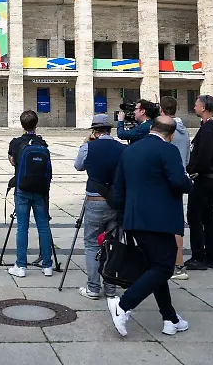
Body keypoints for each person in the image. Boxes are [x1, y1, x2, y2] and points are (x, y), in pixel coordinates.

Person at [108, 116, 194, 337]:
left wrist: (123, 213)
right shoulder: (168, 150)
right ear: (171, 134)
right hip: (159, 220)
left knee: (155, 267)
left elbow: (118, 190)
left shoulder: (130, 150)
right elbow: (178, 181)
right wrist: (189, 182)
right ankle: (123, 304)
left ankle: (170, 318)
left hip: (134, 218)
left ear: (152, 128)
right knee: (165, 267)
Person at [73, 113, 125, 298]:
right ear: (110, 130)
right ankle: (111, 288)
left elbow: (78, 166)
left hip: (95, 199)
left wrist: (87, 144)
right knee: (113, 244)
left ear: (94, 131)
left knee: (91, 243)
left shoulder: (88, 147)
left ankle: (93, 287)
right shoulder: (122, 148)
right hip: (115, 201)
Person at [6, 110, 54, 278]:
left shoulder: (16, 143)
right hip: (40, 190)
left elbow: (12, 160)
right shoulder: (42, 143)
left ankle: (21, 265)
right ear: (36, 124)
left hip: (23, 188)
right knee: (43, 227)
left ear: (21, 124)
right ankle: (47, 265)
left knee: (22, 227)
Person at [185, 94, 213, 271]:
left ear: (203, 108)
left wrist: (192, 169)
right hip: (211, 176)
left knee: (195, 217)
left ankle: (199, 256)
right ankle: (211, 256)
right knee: (208, 217)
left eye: (196, 105)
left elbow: (204, 154)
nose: (194, 108)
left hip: (204, 178)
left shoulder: (209, 128)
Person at [160, 95, 191, 280]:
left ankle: (168, 263)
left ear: (162, 111)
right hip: (180, 178)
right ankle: (178, 265)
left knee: (162, 224)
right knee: (176, 223)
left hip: (165, 179)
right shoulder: (184, 130)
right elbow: (187, 156)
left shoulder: (166, 130)